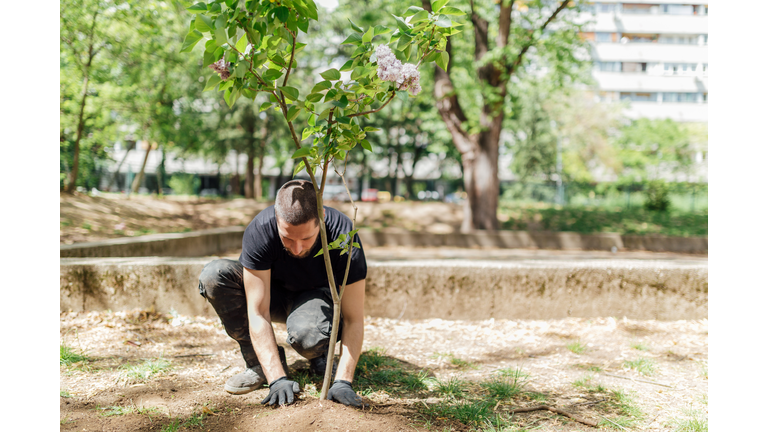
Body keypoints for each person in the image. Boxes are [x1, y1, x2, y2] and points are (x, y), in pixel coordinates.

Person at [197, 180, 367, 407]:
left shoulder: (343, 235)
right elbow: (257, 313)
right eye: (288, 238)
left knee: (308, 335)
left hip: (315, 299)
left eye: (307, 239)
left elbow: (354, 318)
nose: (297, 248)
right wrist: (277, 378)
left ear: (322, 217)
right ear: (276, 218)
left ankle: (318, 353)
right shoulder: (260, 230)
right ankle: (258, 363)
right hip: (273, 295)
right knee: (214, 275)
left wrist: (344, 381)